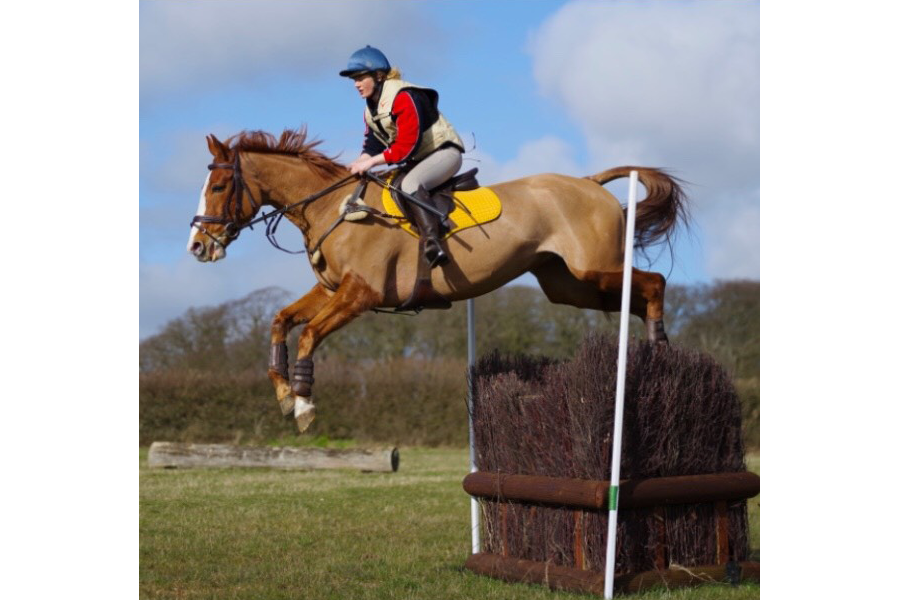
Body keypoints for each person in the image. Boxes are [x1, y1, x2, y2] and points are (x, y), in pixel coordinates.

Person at [341, 45, 465, 268]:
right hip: (419, 160)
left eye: (360, 78)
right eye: (353, 79)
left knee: (409, 185)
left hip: (444, 154)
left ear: (379, 76)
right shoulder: (370, 108)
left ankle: (432, 242)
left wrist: (372, 162)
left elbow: (406, 146)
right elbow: (373, 142)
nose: (356, 84)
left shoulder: (404, 97)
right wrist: (360, 161)